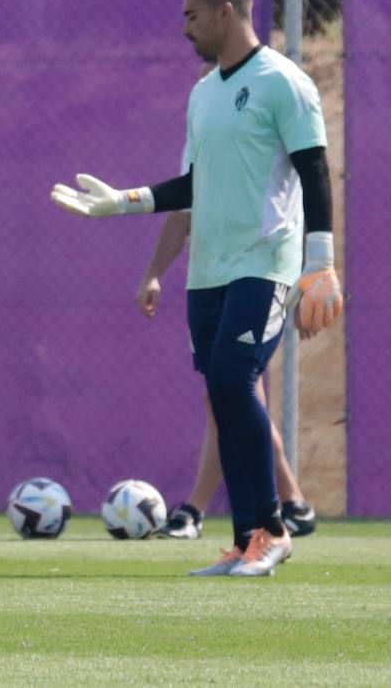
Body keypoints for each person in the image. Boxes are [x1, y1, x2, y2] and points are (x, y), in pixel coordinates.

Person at [52, 0, 341, 578]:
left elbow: (314, 170)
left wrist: (321, 263)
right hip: (208, 269)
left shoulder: (283, 83)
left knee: (236, 380)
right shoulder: (204, 92)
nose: (184, 27)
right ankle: (245, 541)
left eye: (191, 16)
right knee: (224, 395)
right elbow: (193, 183)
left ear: (225, 13)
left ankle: (272, 527)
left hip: (266, 261)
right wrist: (122, 202)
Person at [137, 209, 317, 539]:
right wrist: (153, 272)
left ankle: (217, 513)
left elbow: (301, 201)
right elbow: (182, 213)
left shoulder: (266, 159)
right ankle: (292, 505)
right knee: (227, 397)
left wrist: (309, 278)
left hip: (260, 278)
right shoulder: (201, 156)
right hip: (213, 283)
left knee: (232, 393)